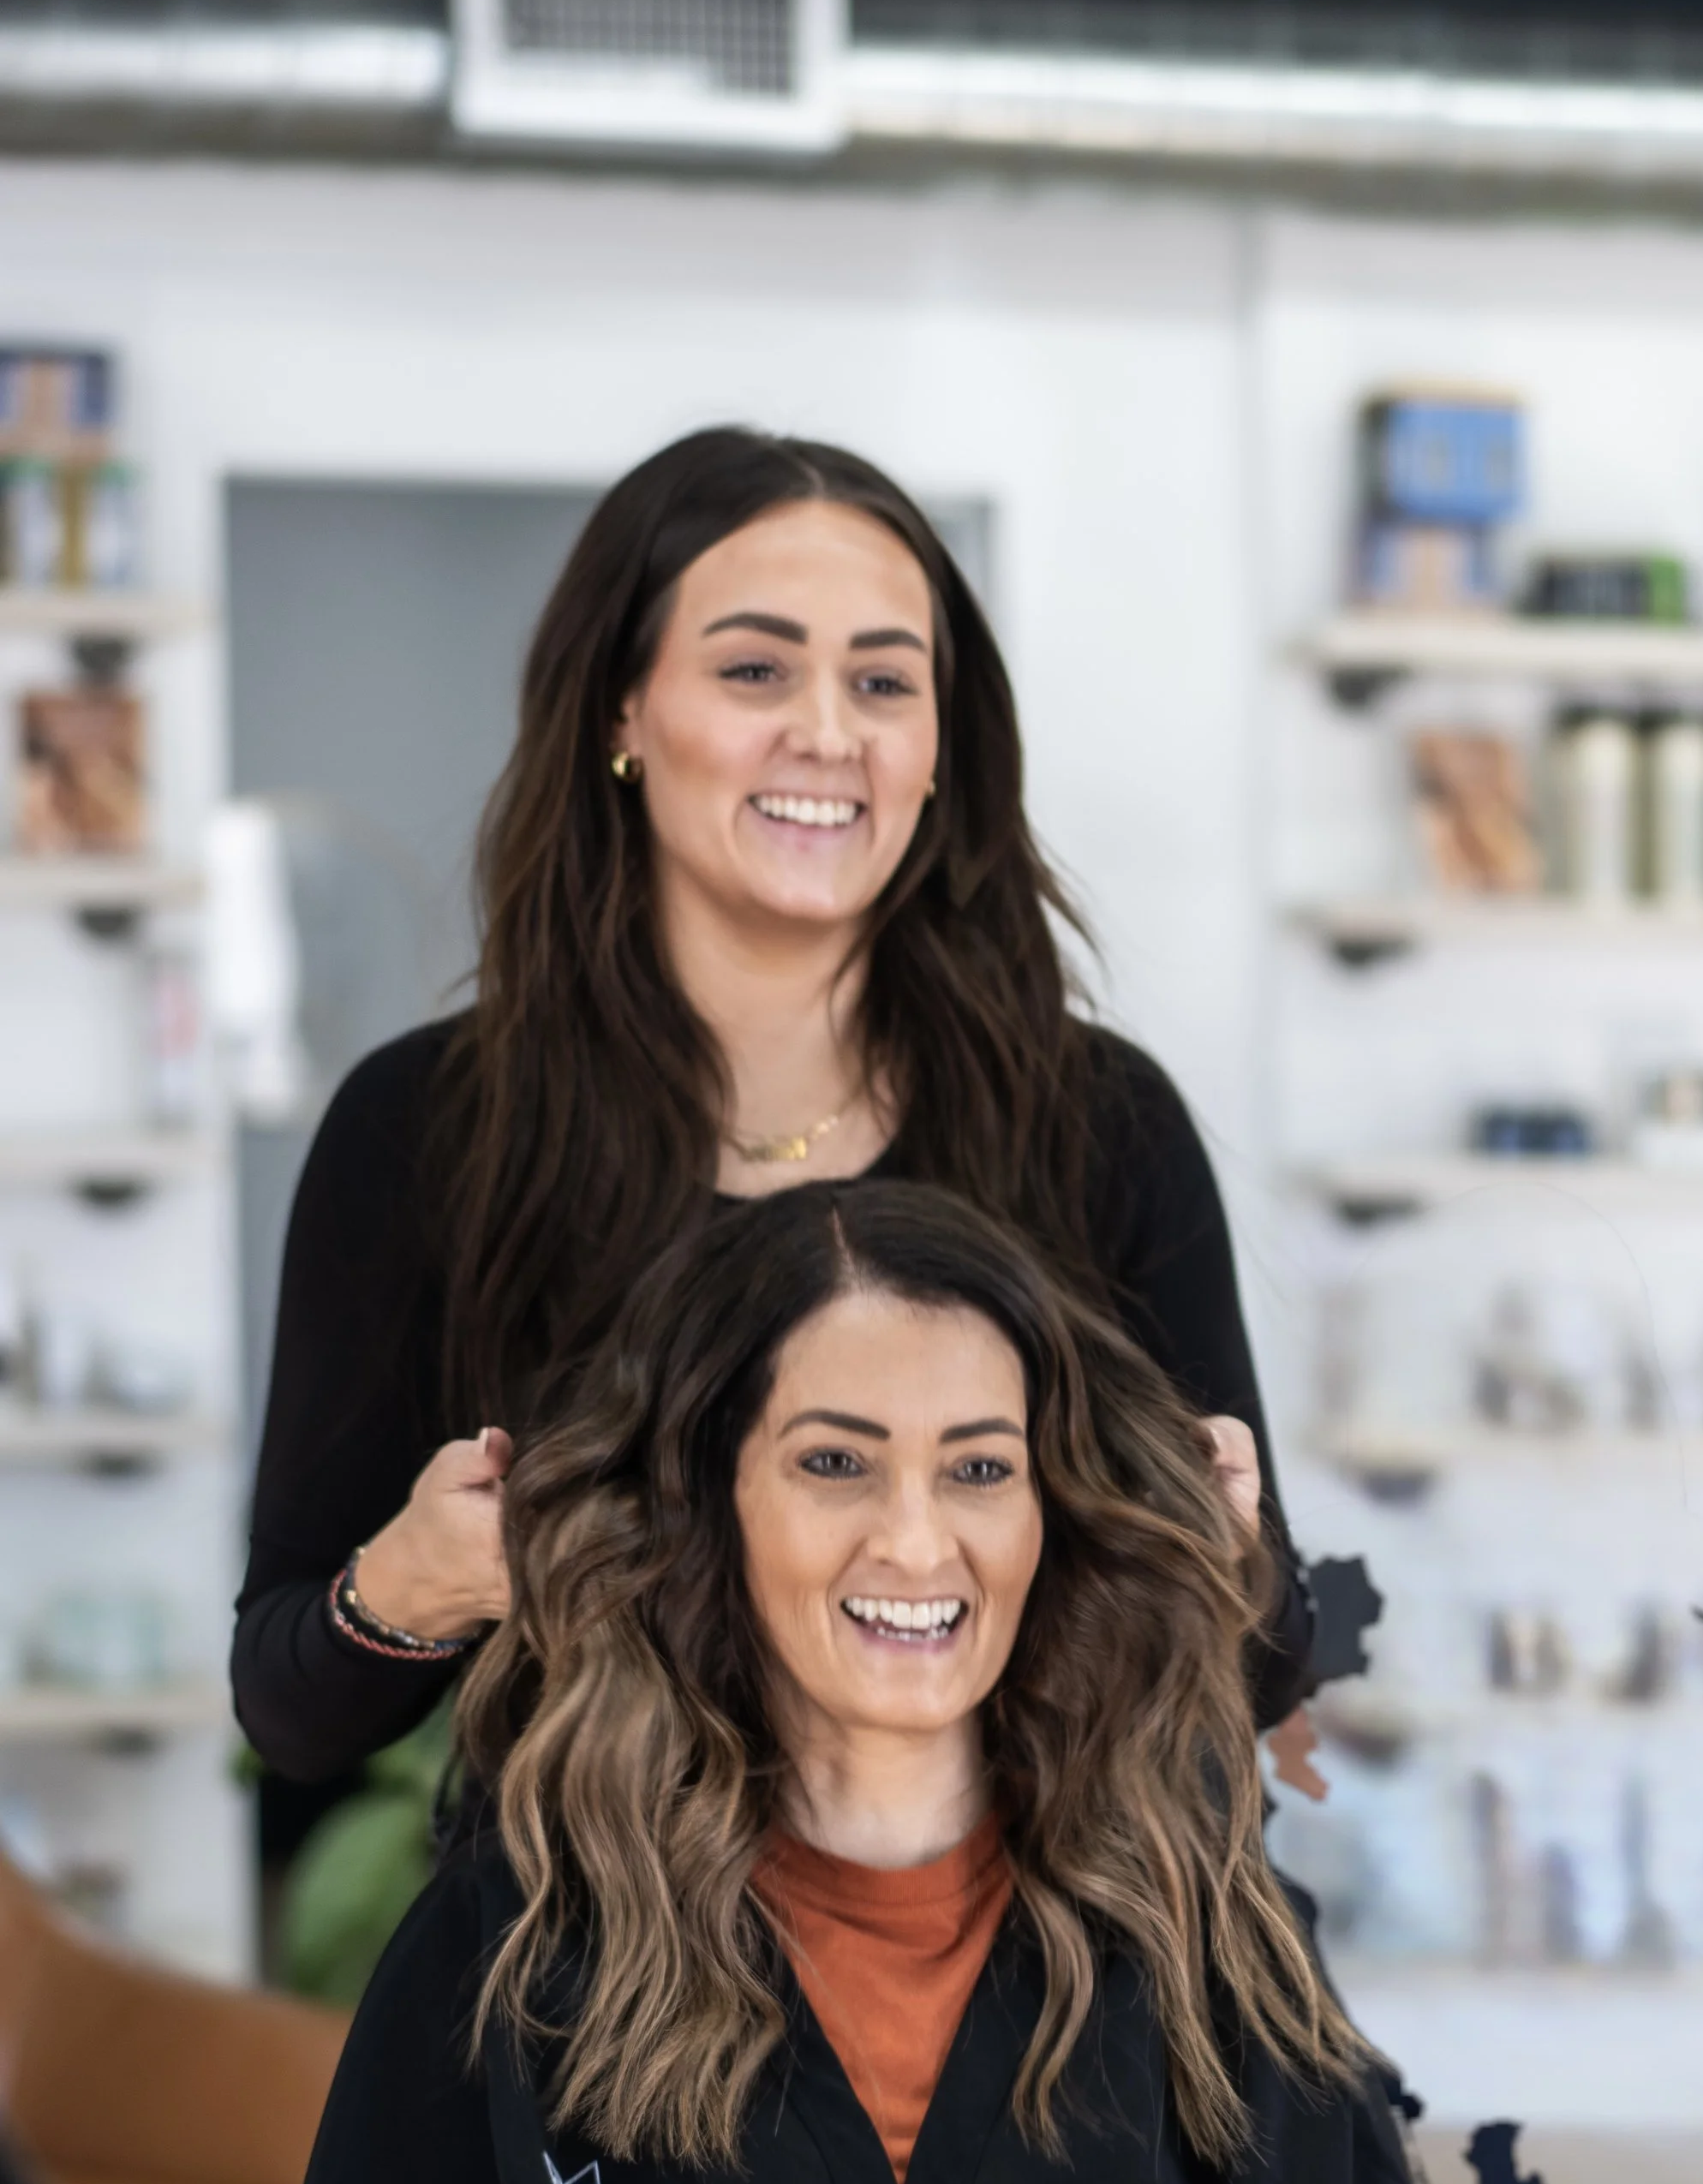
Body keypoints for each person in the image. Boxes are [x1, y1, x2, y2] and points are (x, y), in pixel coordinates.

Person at [244, 1184, 1501, 2184]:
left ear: (1053, 1503)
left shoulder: (1214, 1940)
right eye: (836, 1460)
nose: (919, 1540)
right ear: (711, 1498)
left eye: (980, 1466)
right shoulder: (516, 1950)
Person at [234, 427, 1313, 1789]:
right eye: (755, 669)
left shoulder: (1099, 1124)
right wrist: (411, 1583)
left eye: (882, 680)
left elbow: (1269, 1669)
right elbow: (290, 1707)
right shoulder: (426, 1132)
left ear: (938, 743)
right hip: (601, 1972)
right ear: (622, 712)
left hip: (1046, 1972)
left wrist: (1236, 1562)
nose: (827, 732)